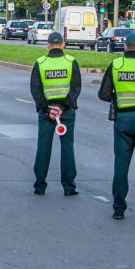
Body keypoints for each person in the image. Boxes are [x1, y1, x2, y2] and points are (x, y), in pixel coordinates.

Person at [98, 32, 135, 221]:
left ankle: (118, 209)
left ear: (126, 47)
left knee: (121, 165)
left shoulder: (116, 65)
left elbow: (103, 94)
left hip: (122, 119)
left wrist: (117, 98)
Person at [30, 32, 82, 195]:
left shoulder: (40, 63)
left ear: (48, 45)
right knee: (67, 147)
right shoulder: (71, 62)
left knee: (43, 148)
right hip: (66, 112)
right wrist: (63, 107)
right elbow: (76, 88)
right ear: (63, 44)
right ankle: (69, 187)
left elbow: (35, 90)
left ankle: (39, 186)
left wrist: (48, 109)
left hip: (47, 113)